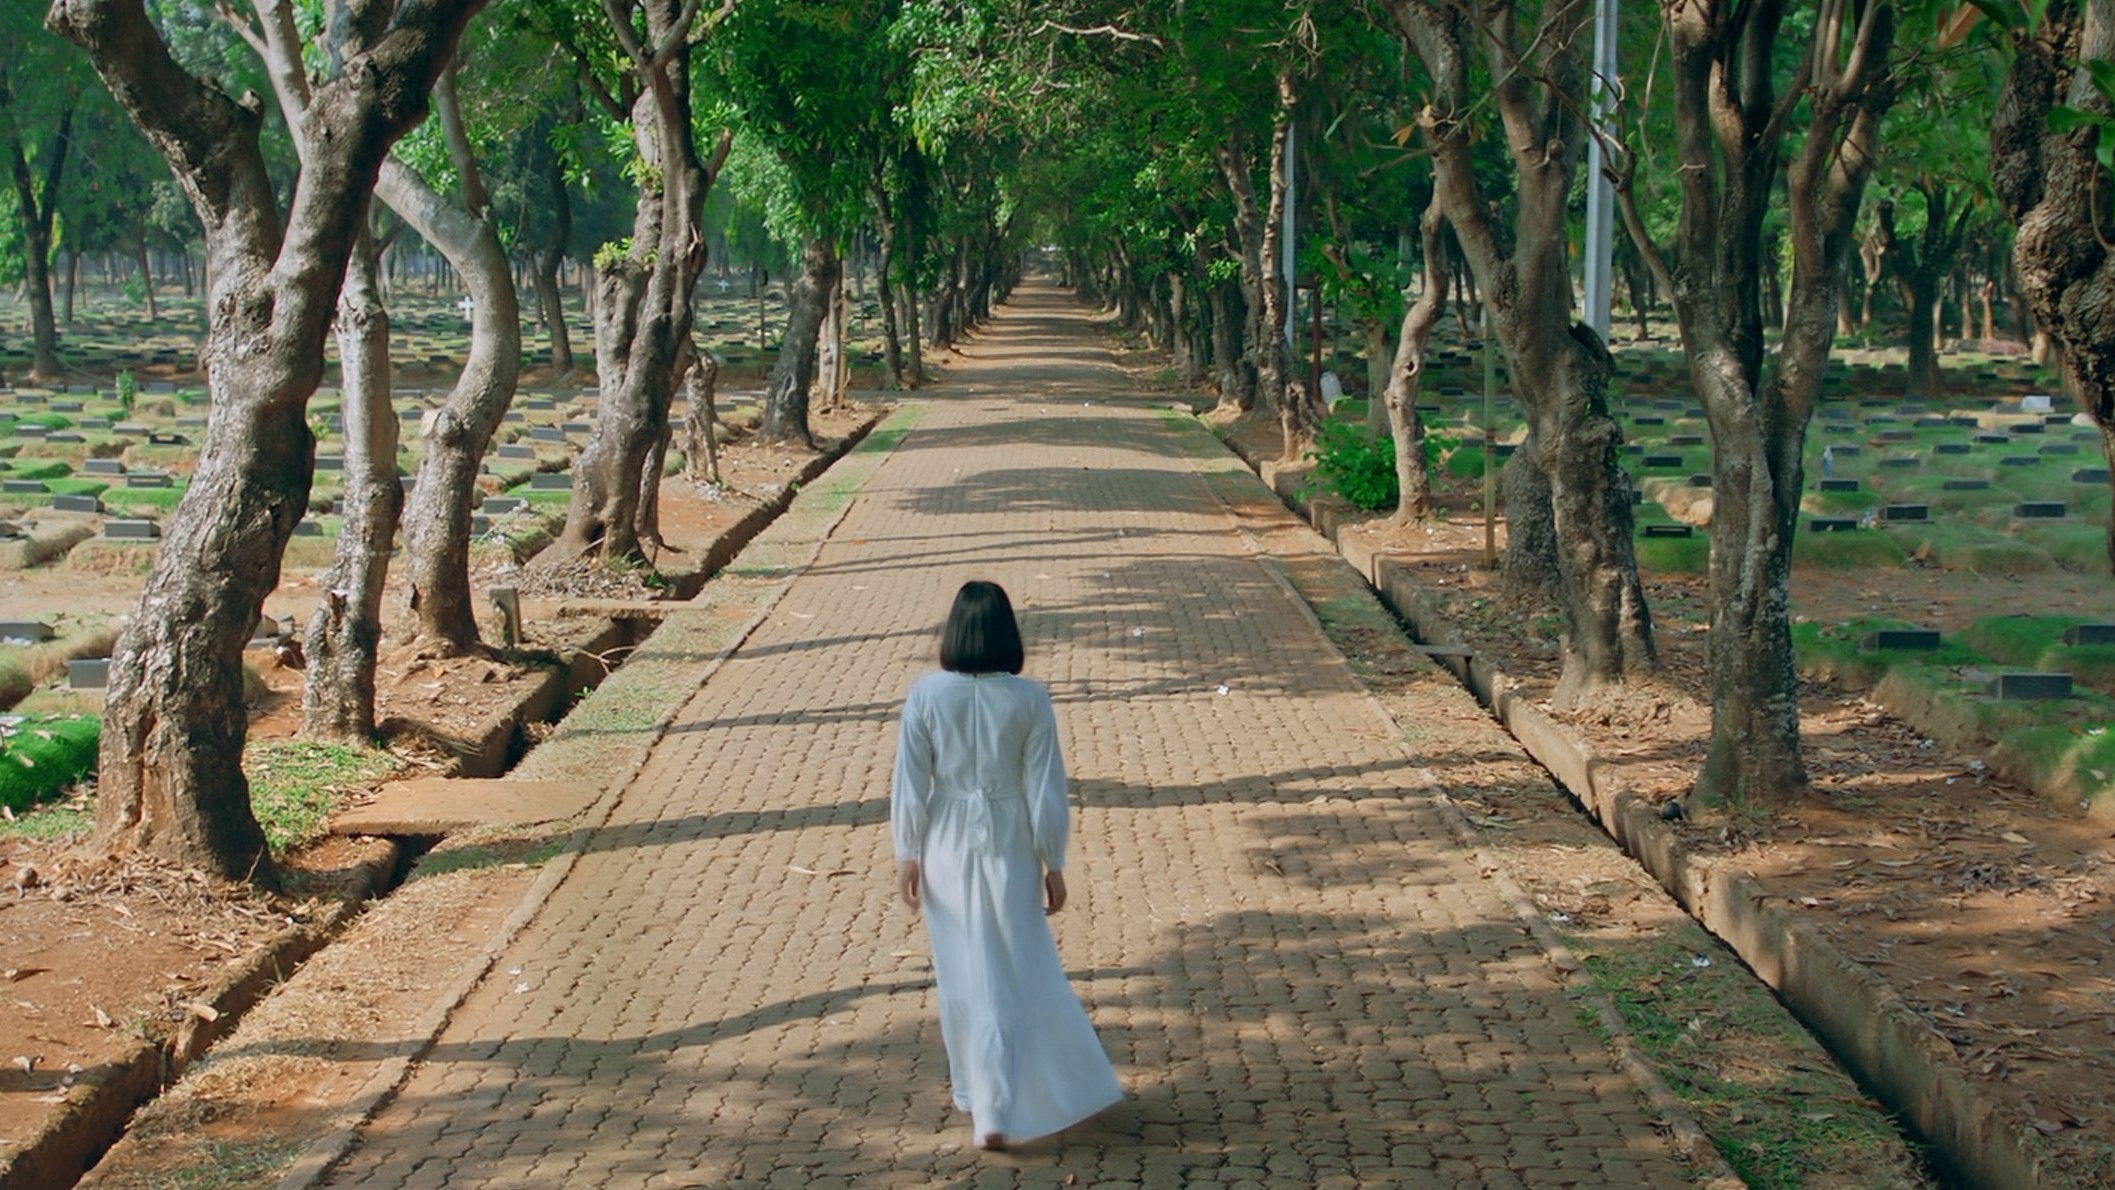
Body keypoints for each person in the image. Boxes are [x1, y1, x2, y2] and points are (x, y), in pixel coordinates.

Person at [891, 580, 1123, 1151]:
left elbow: (910, 782)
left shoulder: (926, 694)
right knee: (1013, 964)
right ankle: (999, 1099)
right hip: (1009, 837)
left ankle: (979, 1096)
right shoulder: (1028, 698)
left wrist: (907, 853)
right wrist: (1052, 860)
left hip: (945, 838)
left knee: (962, 970)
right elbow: (1044, 787)